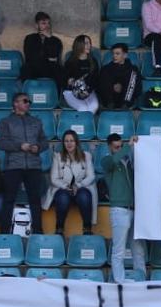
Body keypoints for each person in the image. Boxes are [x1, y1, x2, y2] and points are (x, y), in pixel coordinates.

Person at [0, 93, 49, 234]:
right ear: (15, 103)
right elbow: (2, 143)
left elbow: (44, 141)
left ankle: (38, 231)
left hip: (33, 165)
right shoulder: (5, 122)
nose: (28, 103)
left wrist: (38, 147)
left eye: (29, 101)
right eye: (25, 101)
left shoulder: (36, 121)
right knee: (9, 199)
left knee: (35, 200)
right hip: (13, 165)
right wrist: (20, 146)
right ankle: (4, 232)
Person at [101, 133, 145, 282]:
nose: (119, 149)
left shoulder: (130, 160)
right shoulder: (107, 160)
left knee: (138, 249)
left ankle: (141, 278)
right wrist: (127, 147)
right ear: (109, 147)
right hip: (119, 209)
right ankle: (119, 281)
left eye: (120, 146)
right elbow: (113, 160)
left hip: (134, 208)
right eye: (116, 147)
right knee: (119, 249)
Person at [46, 131, 96, 235]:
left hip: (80, 187)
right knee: (62, 197)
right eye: (66, 141)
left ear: (76, 142)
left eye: (72, 141)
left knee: (84, 196)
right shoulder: (58, 156)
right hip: (63, 188)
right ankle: (59, 228)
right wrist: (65, 186)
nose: (69, 143)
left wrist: (78, 185)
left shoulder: (86, 156)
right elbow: (53, 178)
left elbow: (91, 176)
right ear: (63, 143)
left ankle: (87, 229)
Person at [21, 11, 64, 84]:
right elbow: (30, 57)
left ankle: (55, 94)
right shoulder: (30, 38)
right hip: (34, 68)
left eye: (48, 23)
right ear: (37, 25)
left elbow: (54, 56)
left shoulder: (56, 41)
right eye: (43, 23)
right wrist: (48, 58)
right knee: (26, 69)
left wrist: (50, 38)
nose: (47, 26)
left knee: (60, 70)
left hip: (50, 69)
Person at [62, 35, 101, 114]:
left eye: (89, 43)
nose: (89, 46)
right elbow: (63, 80)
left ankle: (86, 125)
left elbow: (95, 79)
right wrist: (69, 81)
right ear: (79, 45)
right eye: (86, 43)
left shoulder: (93, 61)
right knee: (83, 108)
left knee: (94, 106)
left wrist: (88, 90)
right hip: (71, 92)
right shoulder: (70, 62)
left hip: (88, 92)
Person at [96, 43, 141, 110]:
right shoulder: (106, 68)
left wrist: (122, 87)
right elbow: (100, 87)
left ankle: (125, 104)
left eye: (117, 54)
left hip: (126, 100)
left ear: (125, 55)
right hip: (109, 100)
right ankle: (110, 104)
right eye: (113, 54)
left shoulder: (133, 69)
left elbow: (137, 89)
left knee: (133, 73)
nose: (114, 56)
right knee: (104, 73)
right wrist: (112, 87)